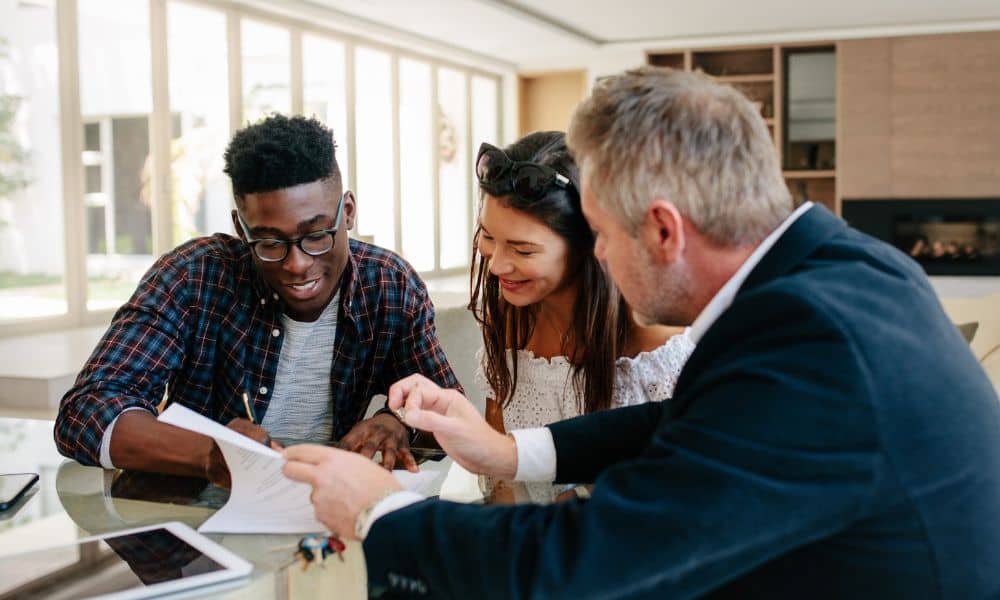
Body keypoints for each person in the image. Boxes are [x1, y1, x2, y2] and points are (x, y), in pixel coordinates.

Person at [283, 68, 1000, 598]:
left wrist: (381, 513)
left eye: (598, 233)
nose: (597, 256)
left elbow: (589, 565)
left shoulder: (812, 348)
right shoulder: (842, 267)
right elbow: (692, 421)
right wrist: (507, 449)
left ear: (662, 230)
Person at [55, 114, 460, 487]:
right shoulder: (194, 277)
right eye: (268, 242)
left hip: (327, 512)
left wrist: (397, 420)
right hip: (199, 517)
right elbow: (86, 411)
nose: (298, 265)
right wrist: (209, 455)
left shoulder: (389, 286)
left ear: (348, 213)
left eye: (317, 234)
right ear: (240, 228)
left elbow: (448, 409)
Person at [469, 131, 693, 501]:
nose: (496, 266)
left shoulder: (651, 338)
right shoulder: (512, 319)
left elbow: (677, 486)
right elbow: (502, 479)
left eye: (523, 250)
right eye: (488, 237)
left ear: (590, 247)